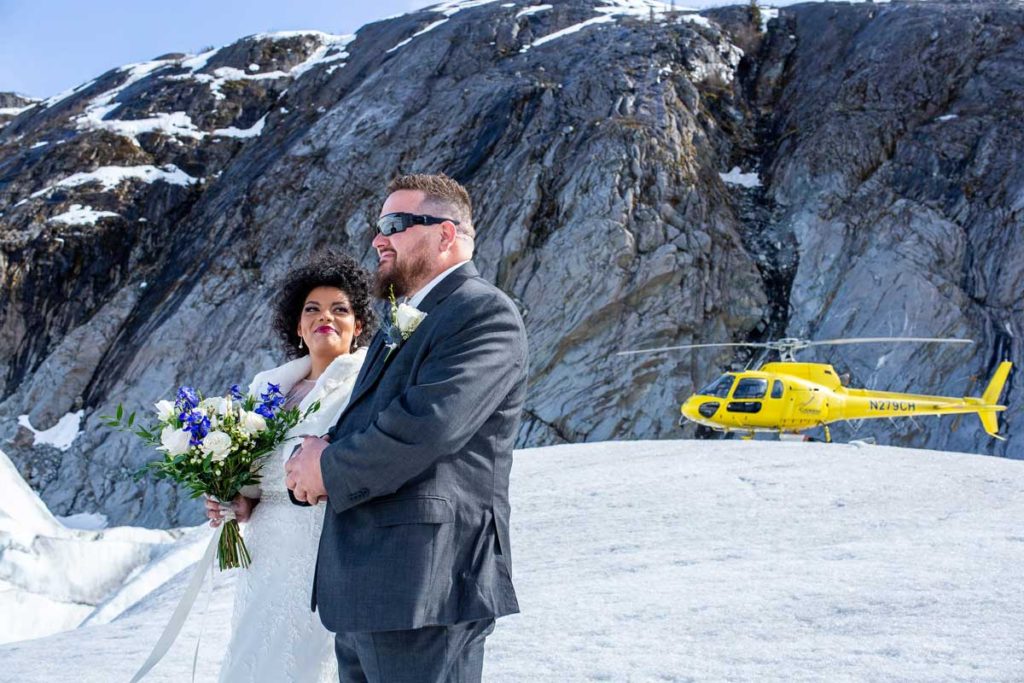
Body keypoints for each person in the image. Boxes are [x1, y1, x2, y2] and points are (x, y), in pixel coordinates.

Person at [285, 173, 529, 683]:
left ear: (445, 235)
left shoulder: (483, 312)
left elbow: (429, 424)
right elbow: (369, 419)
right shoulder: (403, 318)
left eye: (395, 224)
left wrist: (326, 467)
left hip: (426, 584)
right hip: (371, 585)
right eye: (378, 226)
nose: (378, 239)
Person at [204, 251, 376, 683]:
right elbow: (258, 475)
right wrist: (238, 498)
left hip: (323, 544)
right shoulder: (268, 389)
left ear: (358, 327)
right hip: (264, 551)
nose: (326, 317)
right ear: (298, 327)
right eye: (312, 309)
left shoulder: (365, 385)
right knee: (252, 653)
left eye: (341, 309)